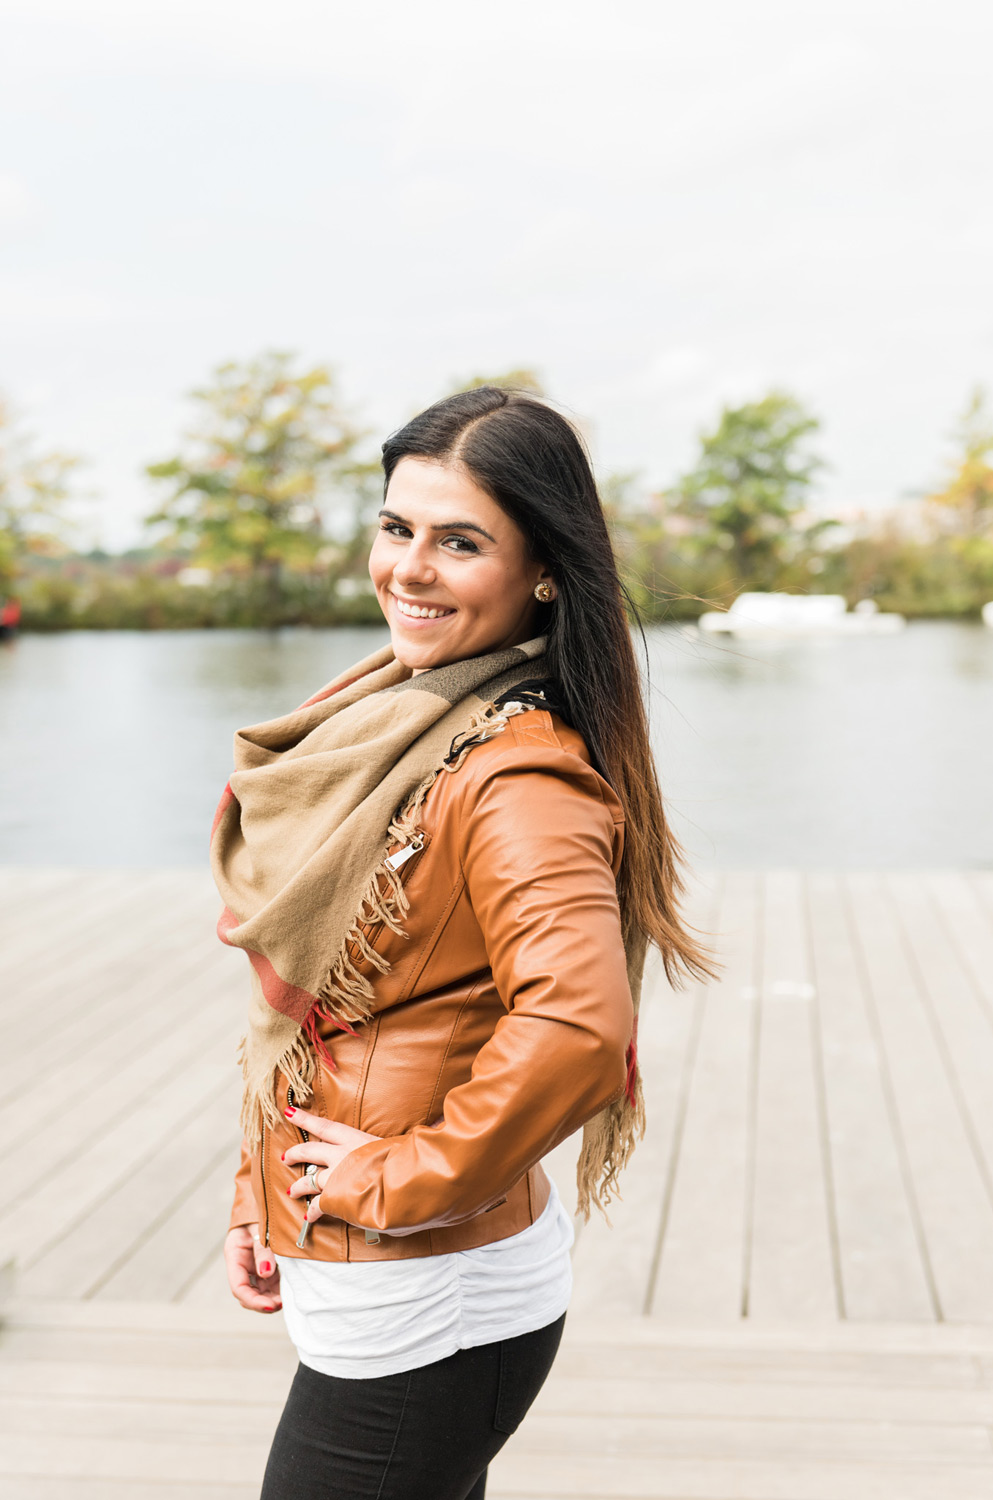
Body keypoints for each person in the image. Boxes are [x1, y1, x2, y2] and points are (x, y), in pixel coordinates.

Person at [215, 386, 711, 1500]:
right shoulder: (405, 715)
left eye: (459, 541)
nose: (409, 568)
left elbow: (580, 1029)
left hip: (415, 1274)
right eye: (397, 528)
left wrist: (397, 1179)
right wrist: (261, 1189)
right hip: (386, 1256)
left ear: (540, 567)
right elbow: (351, 1020)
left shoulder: (511, 772)